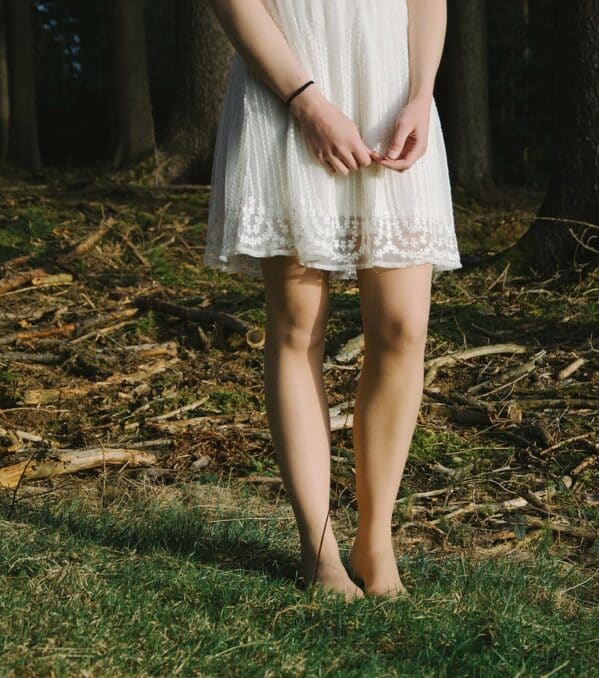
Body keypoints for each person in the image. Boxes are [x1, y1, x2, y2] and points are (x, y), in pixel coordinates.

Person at [205, 0, 461, 600]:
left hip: (390, 91)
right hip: (291, 88)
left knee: (403, 329)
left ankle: (375, 541)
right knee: (298, 326)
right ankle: (317, 550)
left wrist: (421, 91)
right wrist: (306, 103)